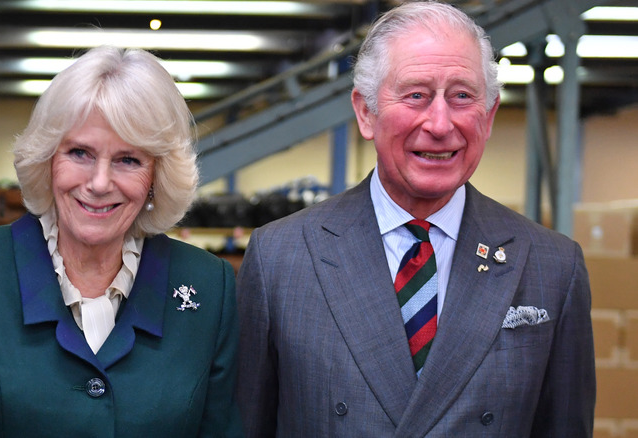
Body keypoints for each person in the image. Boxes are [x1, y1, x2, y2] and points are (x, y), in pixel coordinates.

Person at [235, 1, 595, 437]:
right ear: (366, 112)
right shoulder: (280, 259)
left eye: (462, 95)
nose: (440, 124)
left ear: (490, 114)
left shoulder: (554, 267)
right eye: (416, 95)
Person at [0, 46, 242, 438]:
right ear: (48, 160)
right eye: (80, 152)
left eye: (128, 160)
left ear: (157, 176)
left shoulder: (207, 286)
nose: (99, 183)